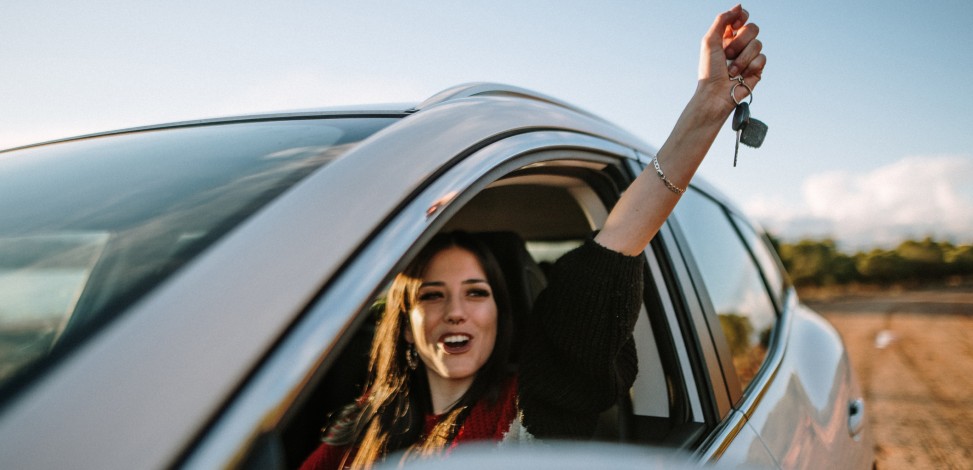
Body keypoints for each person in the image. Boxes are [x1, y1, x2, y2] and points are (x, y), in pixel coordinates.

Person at [301, 4, 765, 469]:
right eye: (432, 296)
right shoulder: (360, 422)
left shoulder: (535, 408)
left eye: (476, 292)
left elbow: (616, 245)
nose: (456, 312)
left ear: (501, 313)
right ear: (404, 321)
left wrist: (707, 106)